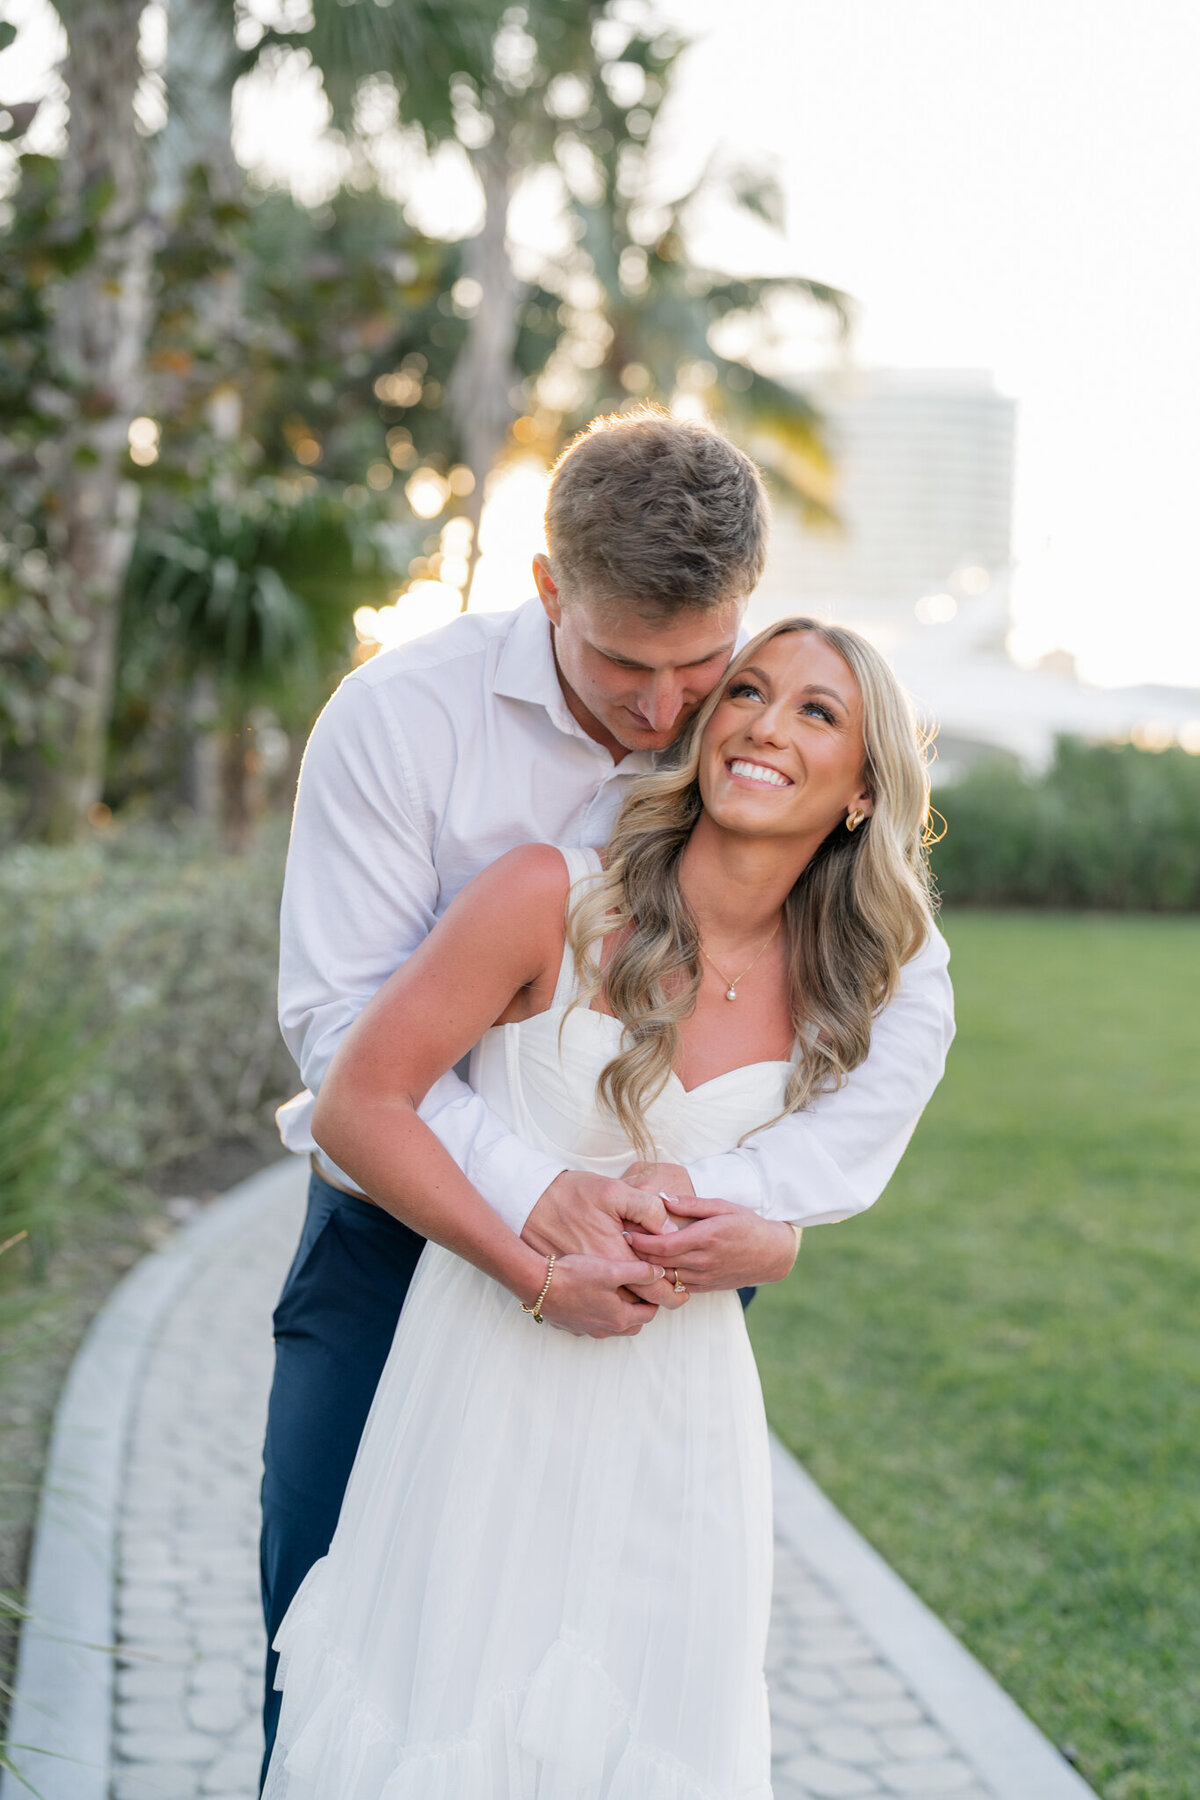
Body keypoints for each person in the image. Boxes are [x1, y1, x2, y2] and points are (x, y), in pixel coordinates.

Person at [261, 409, 955, 1780]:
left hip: (662, 1292)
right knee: (352, 1631)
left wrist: (759, 1214)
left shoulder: (748, 725)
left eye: (704, 665)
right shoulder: (403, 720)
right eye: (626, 667)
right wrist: (537, 1209)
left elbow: (895, 1006)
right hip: (399, 1240)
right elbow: (343, 1039)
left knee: (620, 1684)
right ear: (548, 590)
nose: (665, 713)